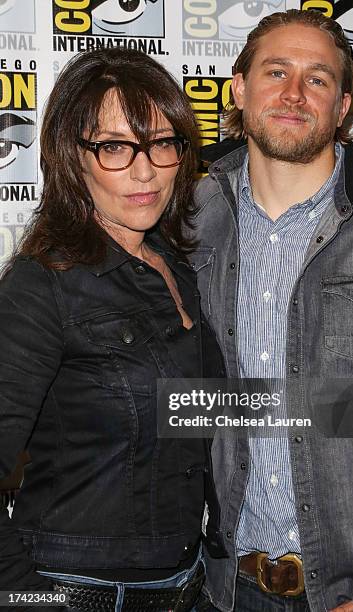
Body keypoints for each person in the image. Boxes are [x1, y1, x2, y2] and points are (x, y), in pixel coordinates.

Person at [191, 8, 353, 612]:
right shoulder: (186, 221)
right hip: (224, 589)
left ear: (342, 106)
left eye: (317, 79)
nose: (293, 94)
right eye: (276, 72)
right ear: (238, 87)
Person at [0, 47, 227, 612]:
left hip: (190, 584)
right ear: (72, 158)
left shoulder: (176, 268)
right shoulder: (42, 285)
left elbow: (196, 412)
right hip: (81, 591)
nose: (145, 169)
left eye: (162, 143)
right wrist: (31, 602)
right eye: (115, 147)